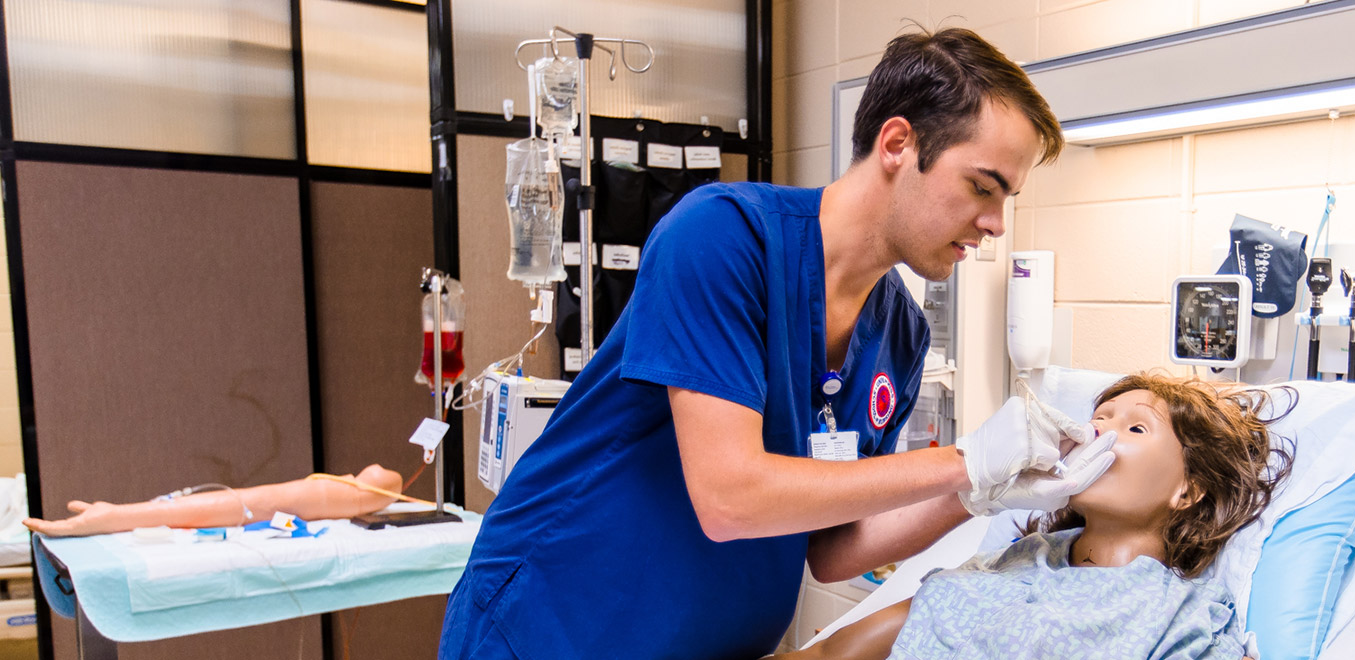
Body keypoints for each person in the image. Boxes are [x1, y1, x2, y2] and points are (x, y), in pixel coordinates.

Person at [440, 28, 1117, 659]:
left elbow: (832, 545)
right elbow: (730, 495)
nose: (996, 223)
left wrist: (978, 496)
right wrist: (967, 462)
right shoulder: (723, 238)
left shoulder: (900, 333)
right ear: (897, 144)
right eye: (982, 187)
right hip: (557, 626)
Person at [773, 373, 1293, 660]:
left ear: (1187, 491)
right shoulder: (1010, 564)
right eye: (1097, 420)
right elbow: (825, 657)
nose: (1099, 436)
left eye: (1136, 430)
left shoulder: (1181, 613)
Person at [24, 465, 405, 537]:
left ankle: (115, 516)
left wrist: (119, 516)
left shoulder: (362, 494)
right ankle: (115, 516)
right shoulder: (355, 493)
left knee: (248, 504)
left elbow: (385, 482)